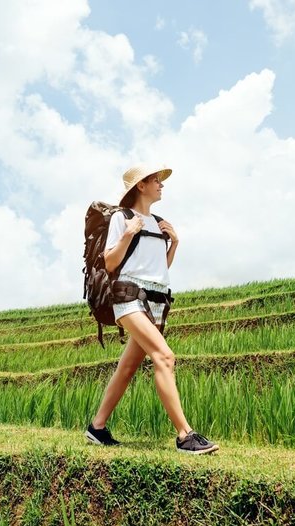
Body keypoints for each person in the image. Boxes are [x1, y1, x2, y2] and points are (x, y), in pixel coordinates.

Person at [85, 164, 219, 455]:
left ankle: (97, 427)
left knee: (128, 367)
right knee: (165, 356)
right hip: (129, 297)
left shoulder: (159, 222)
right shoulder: (123, 218)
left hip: (157, 301)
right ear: (140, 186)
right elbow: (110, 263)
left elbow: (160, 269)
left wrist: (174, 244)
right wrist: (127, 234)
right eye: (155, 180)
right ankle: (185, 435)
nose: (161, 185)